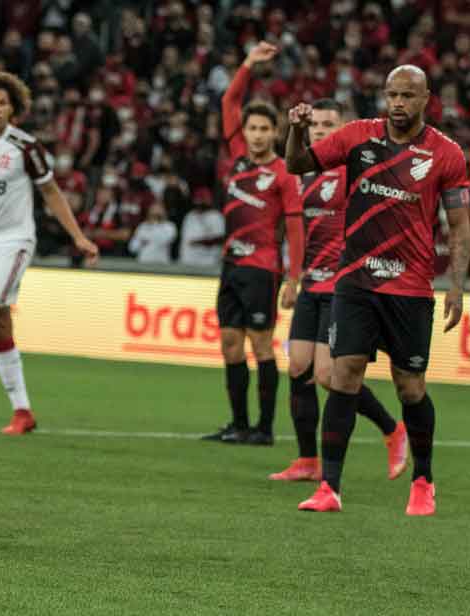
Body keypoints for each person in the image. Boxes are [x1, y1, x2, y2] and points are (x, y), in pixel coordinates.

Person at [286, 65, 470, 515]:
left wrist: (456, 286)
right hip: (357, 281)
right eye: (392, 95)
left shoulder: (446, 155)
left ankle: (423, 479)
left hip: (409, 287)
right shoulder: (356, 137)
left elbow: (460, 227)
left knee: (409, 387)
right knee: (343, 375)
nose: (398, 103)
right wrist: (296, 131)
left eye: (408, 95)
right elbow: (297, 164)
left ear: (426, 98)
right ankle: (329, 486)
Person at [0, 70, 99, 435]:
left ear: (14, 108)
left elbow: (51, 193)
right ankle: (22, 410)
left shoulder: (26, 147)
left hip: (14, 241)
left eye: (2, 103)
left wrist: (77, 236)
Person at [270, 98, 408, 482]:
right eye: (315, 124)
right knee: (298, 366)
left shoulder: (353, 169)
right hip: (312, 282)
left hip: (345, 284)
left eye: (329, 125)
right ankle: (306, 460)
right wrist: (293, 277)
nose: (320, 130)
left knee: (330, 376)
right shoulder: (304, 172)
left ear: (342, 129)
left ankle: (391, 429)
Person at [202, 42, 305, 445]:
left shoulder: (284, 174)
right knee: (230, 344)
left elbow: (295, 230)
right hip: (231, 264)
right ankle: (239, 424)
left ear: (276, 132)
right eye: (252, 128)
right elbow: (230, 99)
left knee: (261, 344)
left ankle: (263, 429)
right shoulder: (239, 157)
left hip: (262, 269)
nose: (258, 135)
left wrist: (293, 278)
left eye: (265, 128)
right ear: (244, 132)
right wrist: (247, 64)